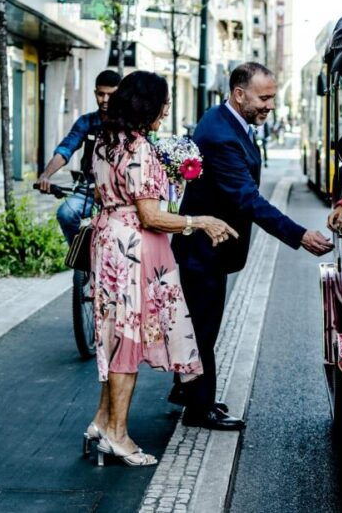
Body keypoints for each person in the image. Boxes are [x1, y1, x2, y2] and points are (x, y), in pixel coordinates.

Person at [170, 62, 333, 430]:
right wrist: (299, 235)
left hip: (208, 248)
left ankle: (187, 392)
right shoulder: (220, 136)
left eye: (272, 97)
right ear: (239, 94)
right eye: (264, 98)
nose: (270, 105)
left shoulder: (225, 120)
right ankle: (198, 408)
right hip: (204, 249)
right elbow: (247, 198)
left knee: (201, 323)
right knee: (203, 328)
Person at [87, 71, 237, 466]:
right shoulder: (139, 148)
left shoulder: (104, 141)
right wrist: (198, 221)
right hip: (132, 250)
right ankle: (117, 435)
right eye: (163, 103)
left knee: (114, 337)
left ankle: (101, 422)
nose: (166, 110)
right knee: (126, 340)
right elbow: (151, 216)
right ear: (146, 105)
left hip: (108, 241)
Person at [38, 70, 121, 244]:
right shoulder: (86, 122)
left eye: (111, 95)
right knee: (66, 213)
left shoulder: (128, 124)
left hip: (120, 194)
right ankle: (79, 252)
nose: (105, 100)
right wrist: (46, 175)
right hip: (89, 190)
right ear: (95, 93)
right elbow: (65, 149)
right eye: (101, 94)